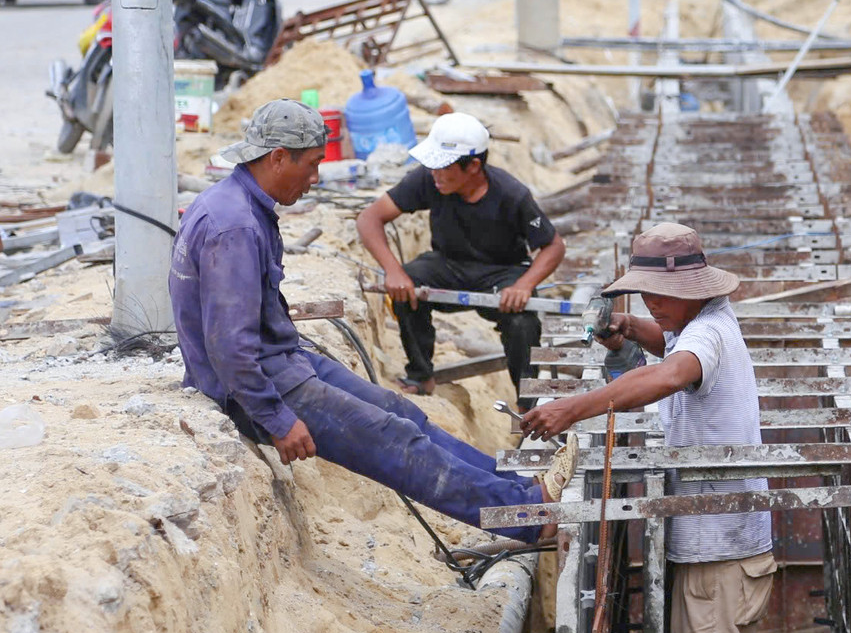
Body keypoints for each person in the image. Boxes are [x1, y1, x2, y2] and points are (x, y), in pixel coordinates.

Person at [169, 100, 575, 543]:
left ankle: (523, 490)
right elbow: (229, 346)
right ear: (277, 157)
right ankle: (528, 516)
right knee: (391, 439)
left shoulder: (244, 207)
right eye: (311, 165)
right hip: (252, 387)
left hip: (282, 360)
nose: (315, 178)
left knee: (401, 413)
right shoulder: (236, 227)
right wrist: (276, 418)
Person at [519, 223, 777, 633]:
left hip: (720, 553)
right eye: (646, 294)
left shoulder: (708, 332)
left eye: (663, 295)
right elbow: (671, 342)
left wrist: (572, 408)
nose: (652, 303)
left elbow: (670, 374)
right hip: (711, 547)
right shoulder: (699, 321)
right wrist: (632, 328)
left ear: (694, 291)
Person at [356, 114, 565, 400]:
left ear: (474, 166)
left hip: (501, 272)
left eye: (443, 167)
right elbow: (369, 219)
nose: (435, 174)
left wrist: (524, 285)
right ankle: (420, 375)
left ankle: (528, 405)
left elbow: (553, 246)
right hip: (449, 265)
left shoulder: (512, 195)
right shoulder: (429, 179)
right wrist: (393, 272)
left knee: (522, 323)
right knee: (407, 285)